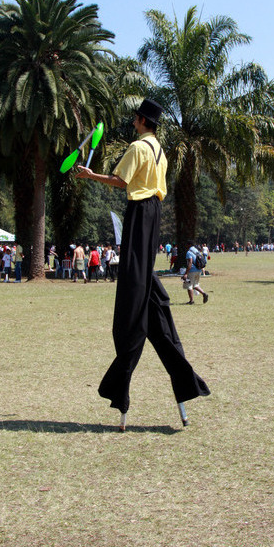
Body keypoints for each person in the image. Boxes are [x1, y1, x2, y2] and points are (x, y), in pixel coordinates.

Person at [76, 98, 210, 428]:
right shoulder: (160, 151)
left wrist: (92, 175)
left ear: (140, 120)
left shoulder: (138, 148)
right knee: (147, 290)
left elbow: (121, 182)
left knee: (132, 297)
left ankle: (121, 379)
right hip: (155, 214)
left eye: (135, 119)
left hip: (138, 213)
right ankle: (179, 386)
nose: (132, 122)